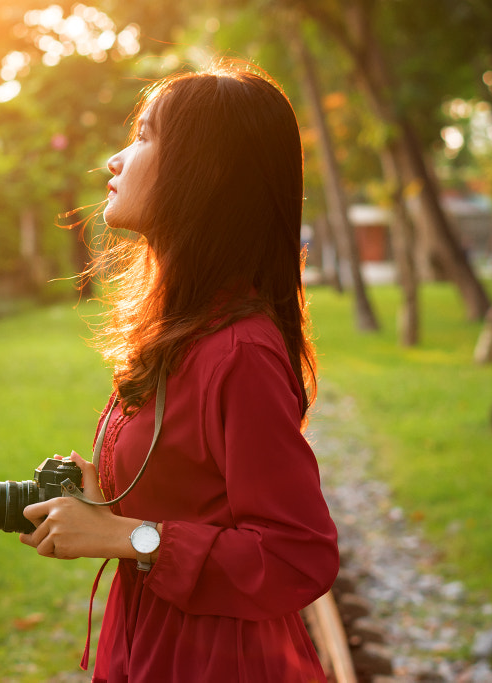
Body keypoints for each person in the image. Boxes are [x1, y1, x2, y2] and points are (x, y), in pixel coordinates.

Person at [19, 60, 340, 682]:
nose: (115, 159)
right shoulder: (179, 335)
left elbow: (301, 555)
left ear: (206, 173)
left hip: (218, 662)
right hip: (149, 643)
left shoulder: (238, 353)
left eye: (143, 136)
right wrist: (102, 498)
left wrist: (123, 537)